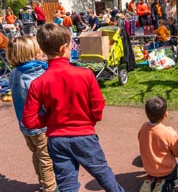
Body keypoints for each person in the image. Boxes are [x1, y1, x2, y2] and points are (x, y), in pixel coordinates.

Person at [22, 23, 124, 192]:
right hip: (84, 135)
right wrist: (91, 119)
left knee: (67, 185)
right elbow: (98, 105)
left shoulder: (38, 83)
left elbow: (29, 120)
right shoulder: (85, 75)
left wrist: (51, 120)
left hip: (57, 139)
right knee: (103, 175)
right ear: (64, 48)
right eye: (71, 45)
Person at [7, 36, 57, 192]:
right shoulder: (35, 73)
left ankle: (43, 182)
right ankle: (51, 187)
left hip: (25, 125)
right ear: (31, 53)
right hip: (40, 124)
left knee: (37, 154)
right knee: (47, 158)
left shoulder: (14, 72)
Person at [138, 96, 178, 192]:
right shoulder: (169, 133)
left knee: (152, 167)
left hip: (149, 168)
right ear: (165, 114)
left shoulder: (143, 128)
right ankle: (166, 185)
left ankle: (150, 180)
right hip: (166, 170)